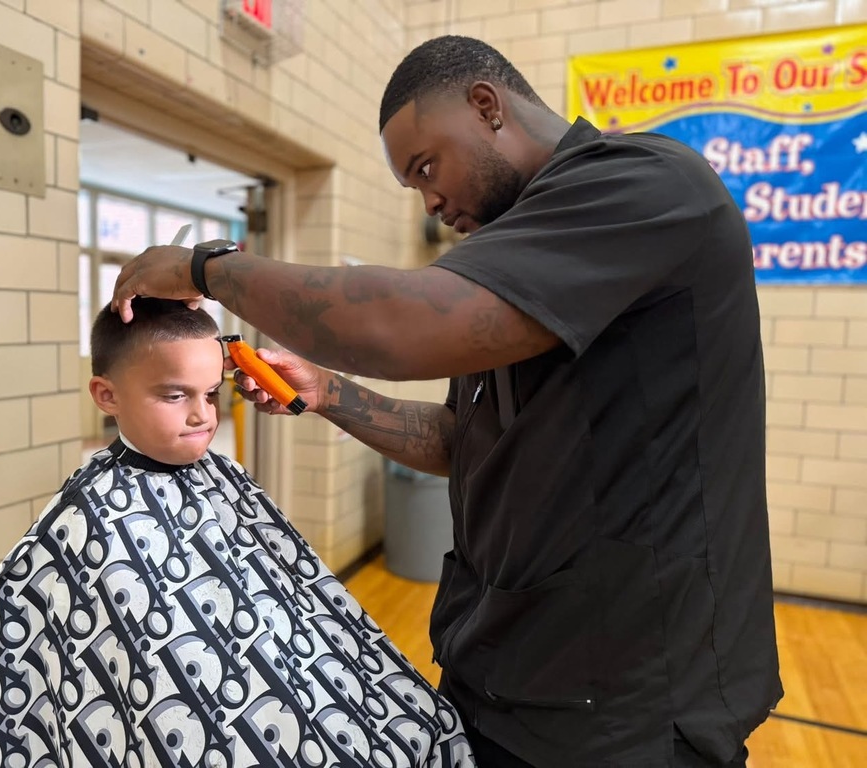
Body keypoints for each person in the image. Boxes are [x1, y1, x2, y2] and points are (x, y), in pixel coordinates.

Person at [110, 35, 784, 768]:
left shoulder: (647, 186)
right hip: (506, 677)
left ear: (487, 106)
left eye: (427, 167)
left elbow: (395, 327)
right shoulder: (514, 252)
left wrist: (205, 268)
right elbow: (463, 443)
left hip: (627, 711)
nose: (431, 201)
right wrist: (330, 393)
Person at [0, 298, 474, 768]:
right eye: (175, 395)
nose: (203, 415)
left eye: (210, 392)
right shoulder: (86, 521)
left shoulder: (226, 477)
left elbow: (295, 597)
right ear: (106, 395)